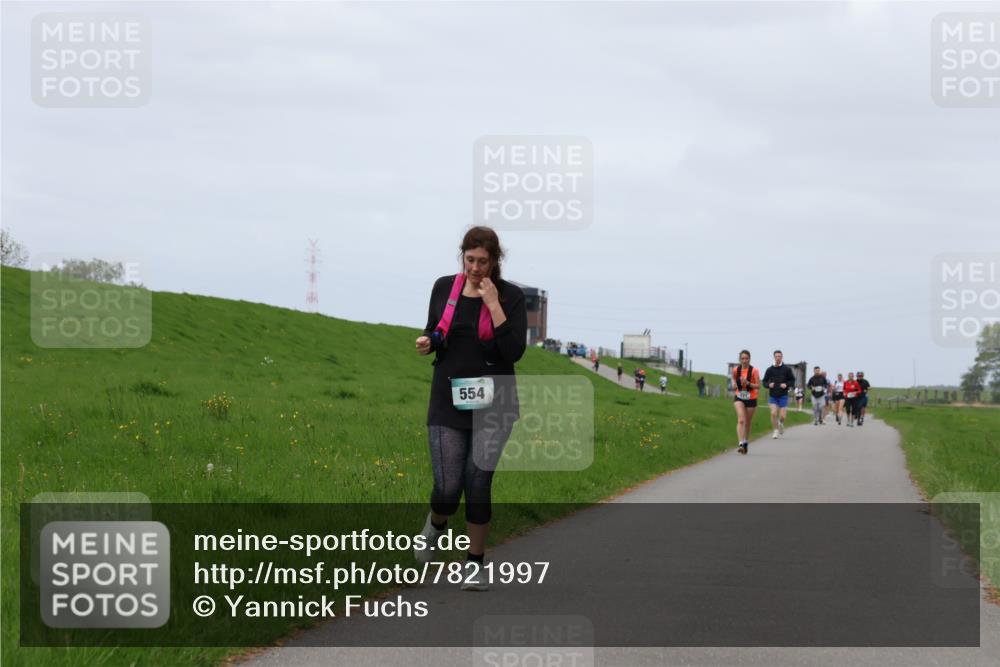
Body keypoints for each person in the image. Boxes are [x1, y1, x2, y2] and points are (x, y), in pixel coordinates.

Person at [413, 226, 527, 591]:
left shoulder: (510, 296)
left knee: (478, 482)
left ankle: (474, 564)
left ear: (495, 262)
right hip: (448, 396)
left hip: (496, 399)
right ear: (463, 256)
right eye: (470, 260)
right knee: (448, 487)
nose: (476, 268)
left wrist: (492, 304)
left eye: (483, 262)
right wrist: (428, 341)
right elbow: (437, 329)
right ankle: (436, 525)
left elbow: (513, 352)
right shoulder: (443, 287)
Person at [762, 349, 796, 439]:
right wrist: (768, 385)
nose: (778, 358)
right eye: (776, 356)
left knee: (782, 416)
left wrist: (786, 384)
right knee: (773, 413)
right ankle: (775, 431)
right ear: (774, 357)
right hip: (773, 395)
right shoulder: (769, 370)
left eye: (779, 356)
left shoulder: (787, 369)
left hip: (783, 395)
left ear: (782, 357)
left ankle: (781, 423)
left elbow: (792, 380)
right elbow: (764, 381)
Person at [732, 350, 760, 454]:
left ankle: (745, 442)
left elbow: (758, 385)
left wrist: (748, 383)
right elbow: (733, 380)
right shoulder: (736, 370)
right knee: (741, 420)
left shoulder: (754, 371)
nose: (744, 360)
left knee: (747, 422)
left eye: (746, 358)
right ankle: (740, 443)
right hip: (739, 396)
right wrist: (734, 384)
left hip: (751, 398)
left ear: (749, 359)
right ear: (740, 359)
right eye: (742, 358)